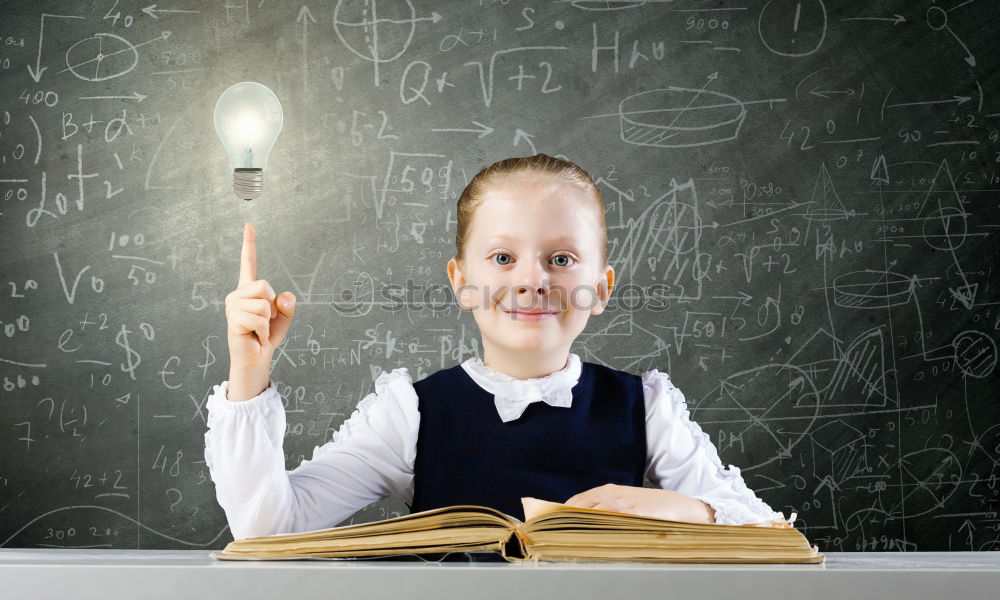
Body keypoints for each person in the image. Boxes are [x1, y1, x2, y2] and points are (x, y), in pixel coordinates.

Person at [204, 154, 787, 544]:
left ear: (602, 288)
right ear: (460, 281)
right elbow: (266, 530)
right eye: (503, 258)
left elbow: (770, 535)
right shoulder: (410, 414)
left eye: (561, 260)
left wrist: (687, 509)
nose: (533, 281)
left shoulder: (647, 407)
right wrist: (248, 373)